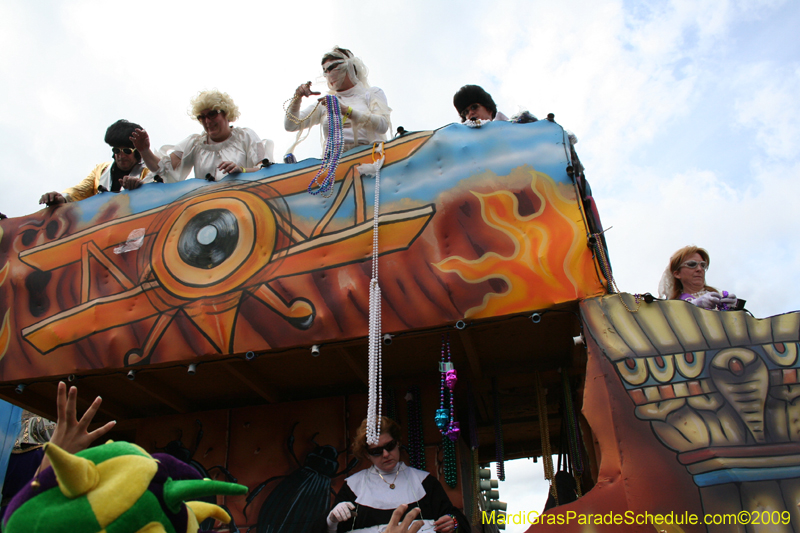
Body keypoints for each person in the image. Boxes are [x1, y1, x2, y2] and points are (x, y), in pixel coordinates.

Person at [326, 417, 468, 533]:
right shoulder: (352, 488)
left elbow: (456, 519)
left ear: (398, 443)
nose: (385, 454)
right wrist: (331, 521)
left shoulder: (425, 482)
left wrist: (453, 522)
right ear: (366, 454)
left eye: (390, 446)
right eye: (376, 451)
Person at [132, 89, 273, 182]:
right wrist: (144, 151)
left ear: (226, 113)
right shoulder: (194, 143)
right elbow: (164, 170)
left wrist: (241, 170)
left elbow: (266, 171)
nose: (207, 121)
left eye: (212, 114)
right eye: (202, 117)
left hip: (243, 205)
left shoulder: (245, 136)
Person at [285, 47, 391, 155]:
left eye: (332, 68)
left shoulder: (371, 93)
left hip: (372, 157)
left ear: (348, 67)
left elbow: (383, 125)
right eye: (325, 71)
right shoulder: (326, 103)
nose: (328, 74)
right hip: (337, 162)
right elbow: (291, 125)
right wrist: (297, 98)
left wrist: (346, 111)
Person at [39, 120, 154, 206]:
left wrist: (141, 187)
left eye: (127, 151)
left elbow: (156, 194)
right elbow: (79, 191)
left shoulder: (149, 171)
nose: (121, 155)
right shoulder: (101, 170)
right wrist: (61, 198)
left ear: (138, 152)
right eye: (116, 150)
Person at [658, 245, 738, 310]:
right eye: (692, 264)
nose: (699, 269)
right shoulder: (672, 306)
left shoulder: (719, 297)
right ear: (677, 274)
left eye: (703, 265)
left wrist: (735, 308)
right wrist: (693, 305)